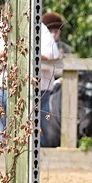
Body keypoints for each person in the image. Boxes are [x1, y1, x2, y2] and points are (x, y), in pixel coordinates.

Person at [39, 11, 65, 146]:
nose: (54, 34)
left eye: (56, 31)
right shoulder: (46, 40)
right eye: (52, 31)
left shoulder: (64, 48)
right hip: (47, 85)